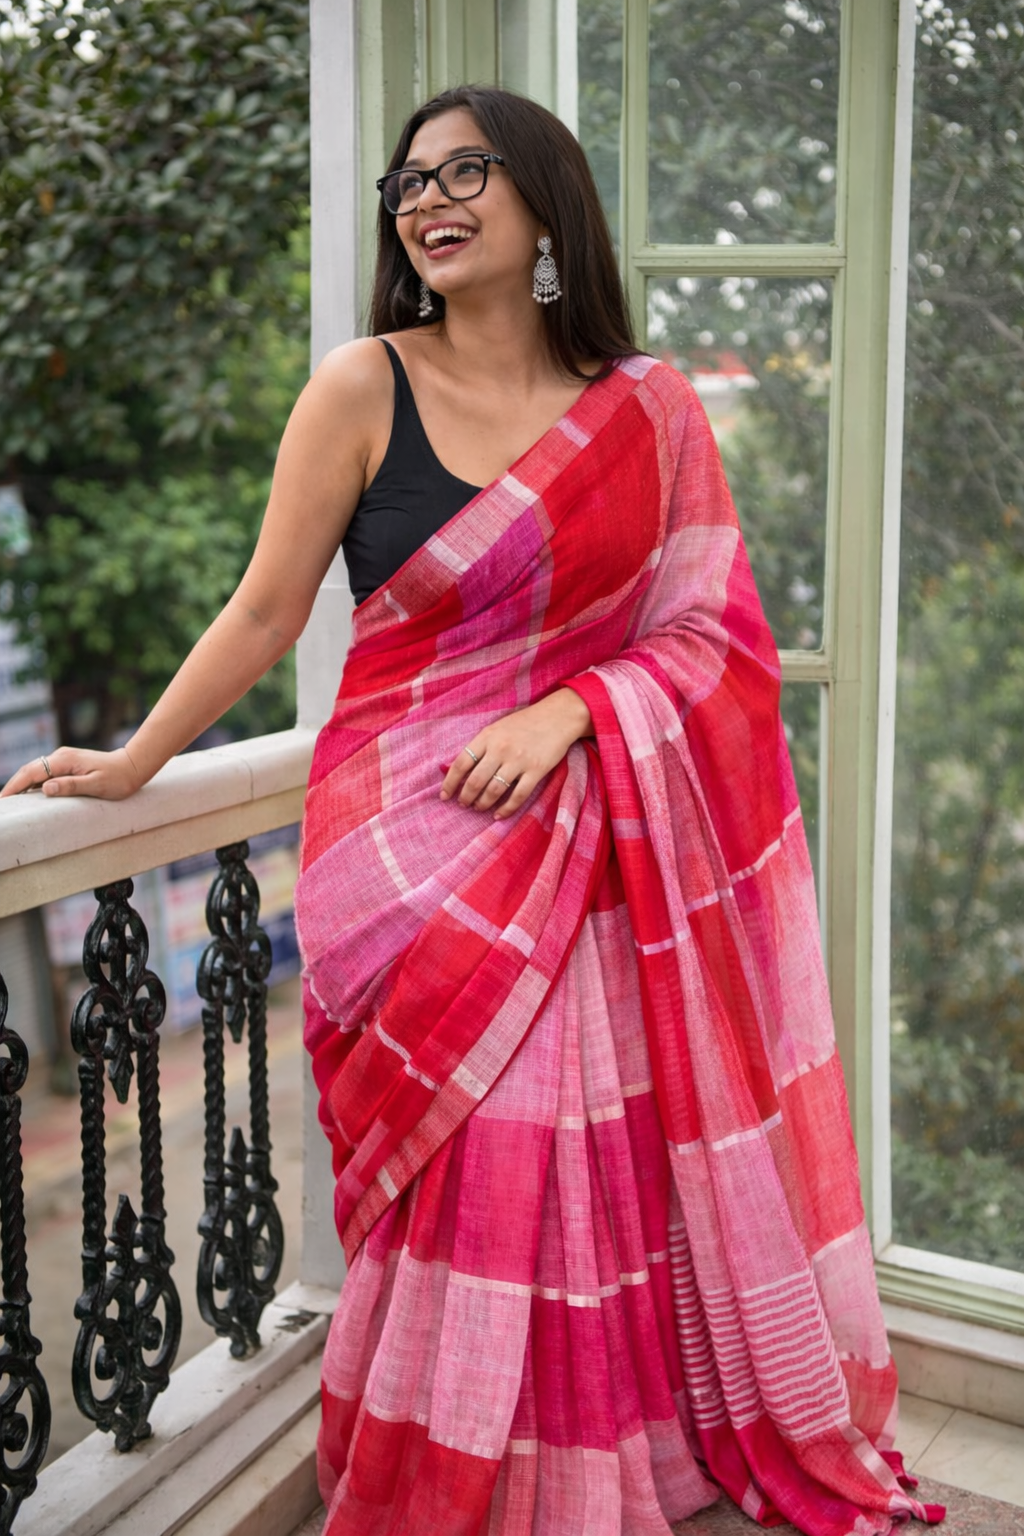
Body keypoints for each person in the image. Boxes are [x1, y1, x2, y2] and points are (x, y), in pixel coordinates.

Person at [2, 86, 944, 1536]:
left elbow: (711, 642)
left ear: (546, 201)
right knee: (484, 1150)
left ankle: (581, 1467)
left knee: (584, 1151)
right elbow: (265, 611)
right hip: (405, 837)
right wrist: (131, 765)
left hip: (580, 818)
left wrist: (575, 708)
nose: (425, 201)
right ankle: (457, 1470)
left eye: (464, 173)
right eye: (408, 181)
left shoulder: (650, 411)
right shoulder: (360, 384)